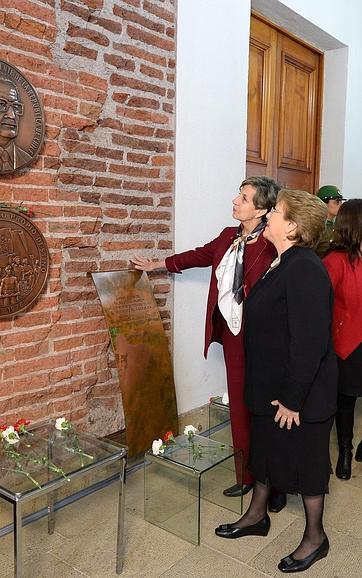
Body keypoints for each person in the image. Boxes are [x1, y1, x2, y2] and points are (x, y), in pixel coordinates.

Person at [132, 176, 286, 509]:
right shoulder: (229, 236)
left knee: (267, 410)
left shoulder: (273, 245)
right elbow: (200, 255)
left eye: (243, 198)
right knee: (242, 410)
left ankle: (276, 482)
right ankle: (246, 477)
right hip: (235, 336)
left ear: (261, 209)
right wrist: (159, 264)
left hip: (265, 340)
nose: (235, 201)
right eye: (238, 195)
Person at [215, 189, 337, 574]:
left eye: (277, 211)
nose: (269, 215)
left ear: (294, 226)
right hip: (270, 385)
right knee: (265, 452)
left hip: (298, 394)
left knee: (309, 466)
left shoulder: (305, 268)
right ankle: (257, 516)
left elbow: (310, 342)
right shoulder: (282, 261)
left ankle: (316, 538)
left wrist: (292, 399)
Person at [323, 199, 362, 480]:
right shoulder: (334, 261)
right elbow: (318, 306)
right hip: (347, 343)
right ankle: (345, 451)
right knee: (346, 399)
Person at [314, 185, 346, 257]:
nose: (340, 205)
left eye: (341, 201)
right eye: (337, 201)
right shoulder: (316, 227)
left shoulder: (339, 226)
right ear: (323, 203)